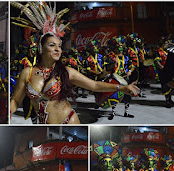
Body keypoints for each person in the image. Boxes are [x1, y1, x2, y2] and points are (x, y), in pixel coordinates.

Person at [10, 2, 139, 124]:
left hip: (68, 121)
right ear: (41, 48)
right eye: (52, 45)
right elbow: (16, 100)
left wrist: (121, 87)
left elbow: (94, 85)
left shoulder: (66, 71)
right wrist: (8, 113)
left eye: (59, 46)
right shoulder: (28, 73)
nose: (57, 49)